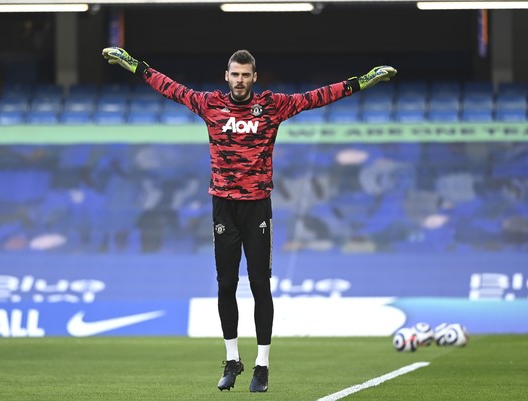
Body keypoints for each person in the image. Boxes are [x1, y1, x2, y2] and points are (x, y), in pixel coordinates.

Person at [102, 47, 397, 392]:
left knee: (260, 285)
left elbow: (317, 97)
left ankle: (262, 366)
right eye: (235, 74)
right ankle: (231, 360)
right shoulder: (210, 104)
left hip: (257, 206)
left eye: (246, 75)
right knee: (226, 284)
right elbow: (170, 87)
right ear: (226, 76)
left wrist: (361, 82)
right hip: (223, 206)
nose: (240, 80)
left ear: (254, 78)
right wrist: (135, 66)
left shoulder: (272, 106)